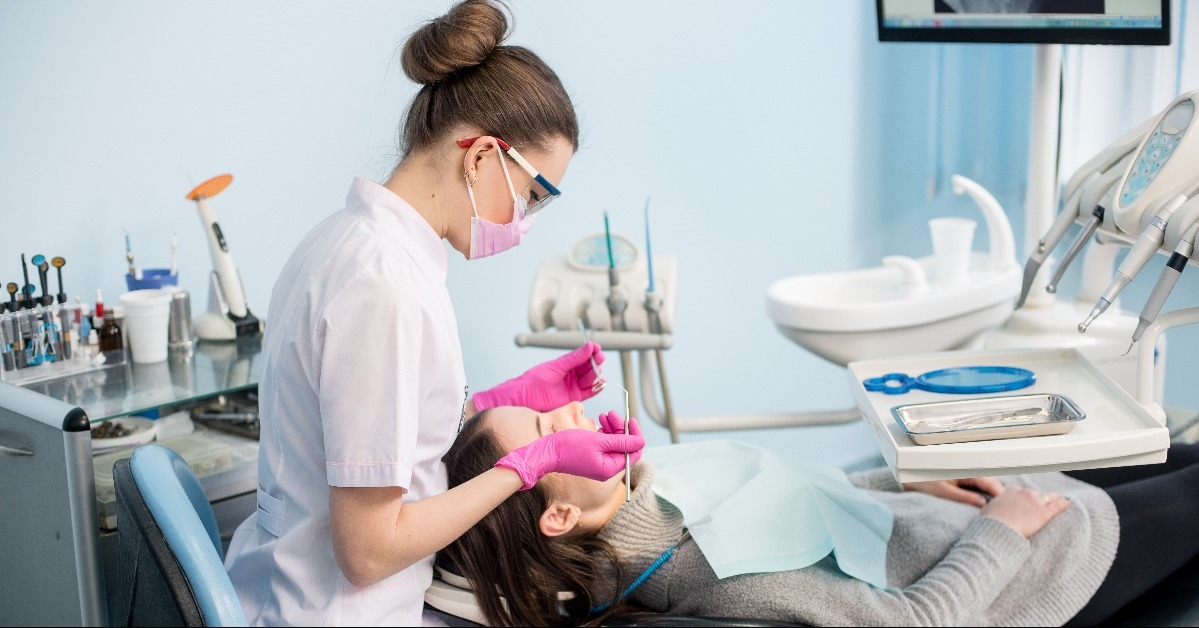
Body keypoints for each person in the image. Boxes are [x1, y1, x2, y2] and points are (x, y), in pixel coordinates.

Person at [223, 2, 645, 624]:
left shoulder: (343, 241)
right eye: (530, 196)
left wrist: (496, 400)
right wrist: (529, 466)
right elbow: (368, 553)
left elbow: (373, 436)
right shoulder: (385, 290)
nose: (523, 222)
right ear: (478, 156)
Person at [441, 403, 1199, 627]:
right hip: (1044, 558)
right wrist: (1005, 529)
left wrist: (895, 481)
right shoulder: (716, 581)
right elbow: (914, 625)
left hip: (978, 506)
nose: (568, 409)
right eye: (546, 431)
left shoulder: (655, 488)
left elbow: (788, 498)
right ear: (558, 515)